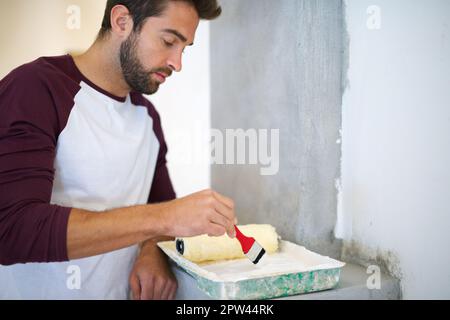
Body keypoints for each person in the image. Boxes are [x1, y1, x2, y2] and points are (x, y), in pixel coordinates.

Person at [0, 0, 236, 300]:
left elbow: (160, 207)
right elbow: (10, 230)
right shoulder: (34, 88)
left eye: (184, 48)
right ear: (122, 21)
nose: (178, 63)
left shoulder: (147, 117)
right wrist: (165, 218)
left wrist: (153, 251)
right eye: (168, 41)